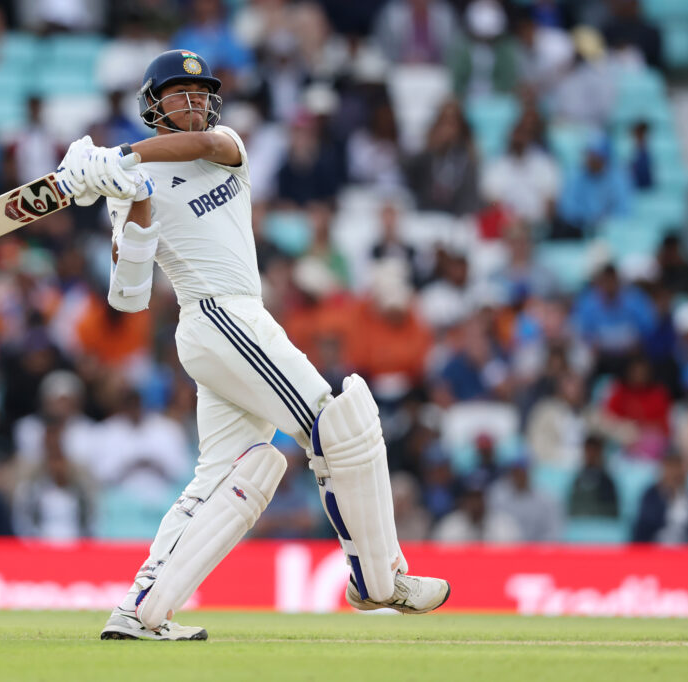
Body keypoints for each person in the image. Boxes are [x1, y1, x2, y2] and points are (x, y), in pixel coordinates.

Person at [53, 50, 449, 641]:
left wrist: (121, 156)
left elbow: (202, 145)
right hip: (214, 315)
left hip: (238, 320)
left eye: (201, 92)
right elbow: (129, 295)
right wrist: (132, 191)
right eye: (179, 93)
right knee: (338, 424)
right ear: (153, 104)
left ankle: (141, 610)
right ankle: (379, 579)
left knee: (230, 475)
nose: (194, 102)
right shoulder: (129, 185)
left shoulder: (225, 144)